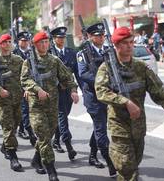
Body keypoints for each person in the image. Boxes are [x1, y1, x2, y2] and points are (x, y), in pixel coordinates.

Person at [95, 26, 164, 180]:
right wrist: (125, 102)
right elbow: (101, 92)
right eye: (124, 43)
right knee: (126, 168)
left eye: (131, 42)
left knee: (133, 165)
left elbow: (158, 91)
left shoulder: (141, 67)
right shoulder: (106, 68)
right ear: (116, 45)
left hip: (138, 126)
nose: (129, 46)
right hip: (119, 126)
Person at [21, 31, 79, 181]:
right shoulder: (29, 62)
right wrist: (37, 89)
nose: (44, 45)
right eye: (41, 42)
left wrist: (73, 90)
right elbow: (24, 80)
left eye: (46, 42)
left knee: (47, 136)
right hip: (36, 107)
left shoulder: (54, 60)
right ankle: (51, 170)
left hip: (53, 105)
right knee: (44, 137)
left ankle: (36, 159)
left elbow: (67, 77)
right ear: (34, 45)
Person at [77, 23, 117, 177]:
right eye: (98, 35)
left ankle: (93, 155)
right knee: (101, 129)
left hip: (109, 95)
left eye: (103, 35)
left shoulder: (109, 51)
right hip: (93, 98)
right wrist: (103, 81)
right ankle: (110, 162)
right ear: (90, 37)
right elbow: (83, 74)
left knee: (99, 126)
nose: (101, 38)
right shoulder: (83, 54)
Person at [0, 34, 24, 172]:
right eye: (5, 42)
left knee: (15, 125)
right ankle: (13, 157)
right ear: (0, 45)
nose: (8, 44)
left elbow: (25, 76)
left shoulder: (18, 59)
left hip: (18, 99)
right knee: (7, 127)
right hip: (3, 101)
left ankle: (5, 146)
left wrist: (27, 89)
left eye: (9, 41)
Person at [50, 26, 80, 161]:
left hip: (68, 90)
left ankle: (56, 140)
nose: (61, 40)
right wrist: (57, 83)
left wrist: (76, 89)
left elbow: (76, 73)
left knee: (63, 115)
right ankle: (68, 145)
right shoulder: (49, 53)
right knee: (62, 117)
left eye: (63, 38)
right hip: (55, 91)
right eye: (59, 38)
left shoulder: (70, 53)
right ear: (54, 39)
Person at [12, 31, 37, 146]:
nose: (25, 43)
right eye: (23, 41)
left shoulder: (31, 53)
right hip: (18, 88)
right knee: (24, 110)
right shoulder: (14, 54)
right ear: (18, 42)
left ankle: (22, 129)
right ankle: (29, 131)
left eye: (27, 40)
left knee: (27, 110)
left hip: (30, 86)